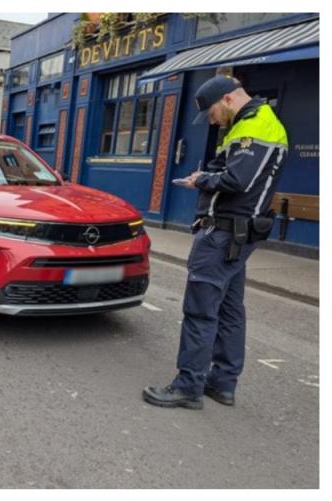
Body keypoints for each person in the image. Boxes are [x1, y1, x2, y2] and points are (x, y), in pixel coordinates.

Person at [143, 75, 288, 410]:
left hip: (222, 235)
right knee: (230, 309)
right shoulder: (247, 125)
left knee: (199, 311)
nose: (209, 120)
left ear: (227, 99)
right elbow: (230, 169)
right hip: (237, 235)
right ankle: (222, 383)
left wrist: (201, 181)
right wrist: (207, 174)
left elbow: (237, 180)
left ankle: (188, 386)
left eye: (210, 112)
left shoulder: (257, 126)